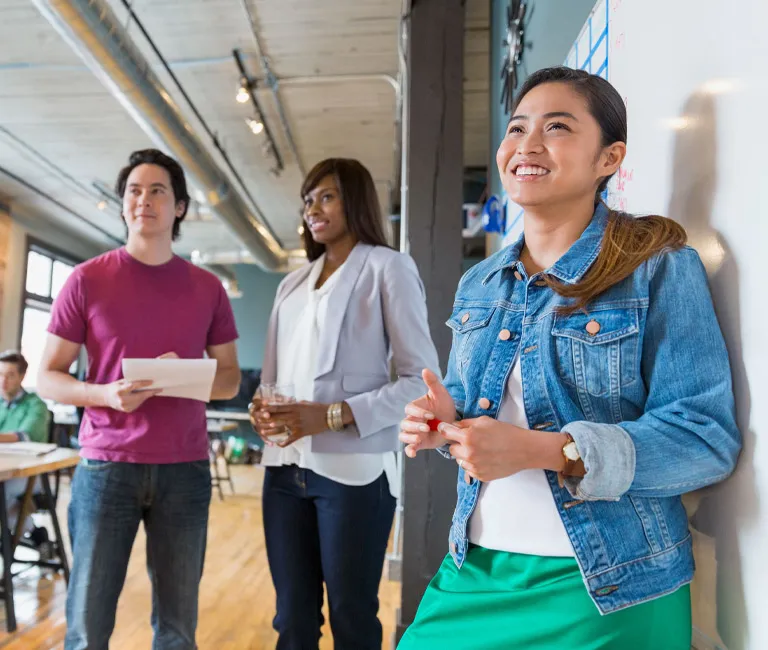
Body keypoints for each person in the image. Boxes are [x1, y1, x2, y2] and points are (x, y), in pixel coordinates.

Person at [398, 66, 741, 650]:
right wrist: (440, 422)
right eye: (516, 128)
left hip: (613, 588)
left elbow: (704, 440)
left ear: (609, 158)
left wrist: (543, 450)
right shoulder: (480, 281)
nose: (526, 145)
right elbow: (471, 405)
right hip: (477, 571)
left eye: (556, 127)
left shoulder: (658, 265)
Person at [37, 148, 241, 650]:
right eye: (133, 190)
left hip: (185, 469)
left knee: (177, 628)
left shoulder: (208, 288)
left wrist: (179, 377)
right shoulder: (86, 279)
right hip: (106, 467)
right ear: (122, 203)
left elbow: (231, 380)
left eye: (157, 191)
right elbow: (47, 377)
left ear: (179, 208)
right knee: (88, 625)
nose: (143, 199)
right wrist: (103, 393)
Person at [250, 158, 439, 650]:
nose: (313, 208)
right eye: (308, 200)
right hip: (283, 471)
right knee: (291, 620)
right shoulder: (290, 284)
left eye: (326, 196)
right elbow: (271, 380)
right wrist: (260, 408)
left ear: (354, 200)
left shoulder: (387, 267)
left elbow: (422, 382)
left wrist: (331, 415)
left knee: (352, 617)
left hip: (353, 475)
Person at [0, 350, 53, 554]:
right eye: (0, 374)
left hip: (28, 473)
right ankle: (35, 533)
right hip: (3, 469)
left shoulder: (36, 405)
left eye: (10, 375)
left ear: (22, 376)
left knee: (3, 496)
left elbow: (24, 435)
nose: (3, 381)